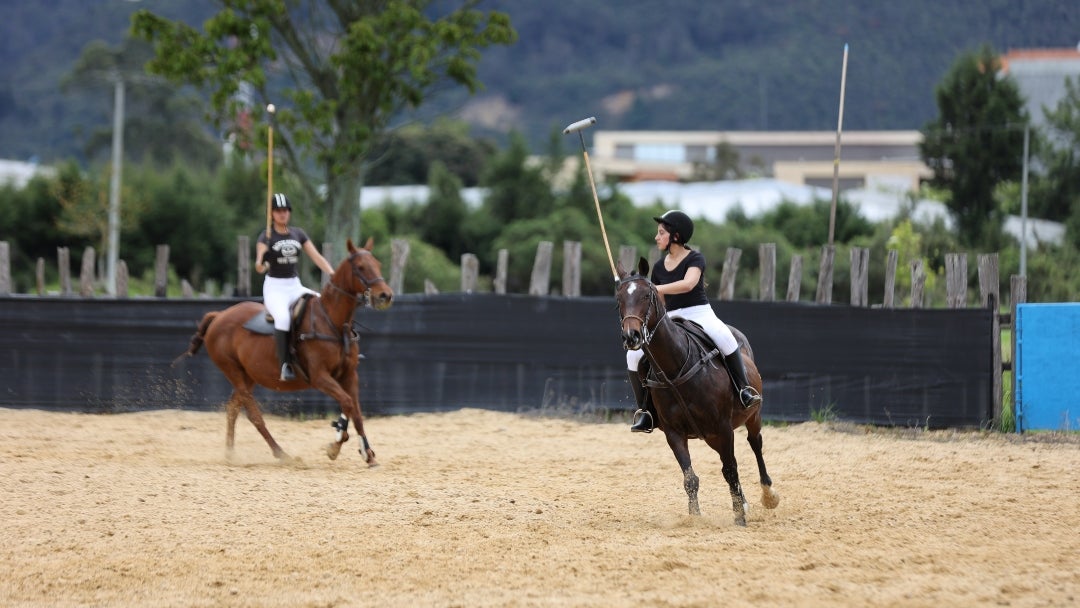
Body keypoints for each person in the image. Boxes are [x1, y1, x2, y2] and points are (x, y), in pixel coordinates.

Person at [627, 209, 762, 433]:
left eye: (661, 233)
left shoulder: (695, 258)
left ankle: (743, 391)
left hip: (699, 313)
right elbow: (658, 301)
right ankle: (646, 411)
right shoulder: (659, 267)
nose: (656, 237)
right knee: (633, 355)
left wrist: (654, 287)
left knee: (725, 339)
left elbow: (688, 284)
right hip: (670, 317)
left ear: (676, 236)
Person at [255, 193, 336, 381]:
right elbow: (259, 267)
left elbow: (316, 257)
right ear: (271, 214)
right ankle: (285, 365)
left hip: (294, 286)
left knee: (323, 305)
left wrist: (332, 274)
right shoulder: (266, 237)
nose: (282, 214)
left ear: (289, 212)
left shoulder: (298, 234)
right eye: (278, 211)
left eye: (285, 210)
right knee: (283, 318)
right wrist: (264, 260)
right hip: (275, 289)